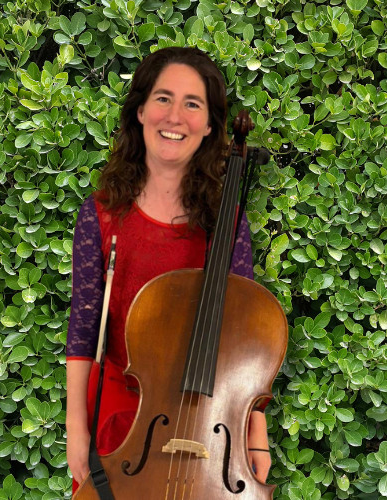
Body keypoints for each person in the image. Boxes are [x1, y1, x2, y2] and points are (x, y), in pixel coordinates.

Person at [66, 46, 271, 495]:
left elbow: (247, 338)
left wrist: (256, 435)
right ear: (140, 111)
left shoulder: (227, 224)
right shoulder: (100, 215)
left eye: (192, 104)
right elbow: (83, 330)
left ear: (210, 126)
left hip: (207, 426)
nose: (175, 116)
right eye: (163, 98)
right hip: (119, 423)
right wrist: (75, 429)